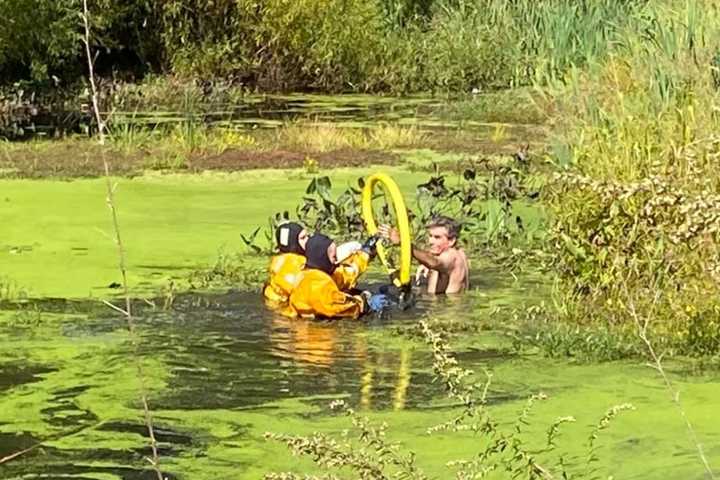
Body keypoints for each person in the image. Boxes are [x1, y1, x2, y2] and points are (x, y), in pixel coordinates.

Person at [288, 233, 389, 319]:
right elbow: (340, 307)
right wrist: (365, 303)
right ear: (322, 257)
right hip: (316, 336)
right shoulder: (317, 286)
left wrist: (365, 253)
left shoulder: (315, 273)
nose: (336, 261)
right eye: (333, 257)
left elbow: (346, 275)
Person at [379, 216, 469, 294]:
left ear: (451, 241)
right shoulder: (459, 253)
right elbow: (434, 261)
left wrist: (404, 243)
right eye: (430, 236)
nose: (431, 241)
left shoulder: (451, 256)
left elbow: (434, 262)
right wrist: (426, 263)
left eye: (437, 237)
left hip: (445, 310)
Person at [263, 222, 309, 315]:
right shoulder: (298, 261)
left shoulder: (277, 260)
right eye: (303, 238)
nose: (308, 240)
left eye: (307, 236)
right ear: (293, 242)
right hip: (286, 309)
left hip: (271, 303)